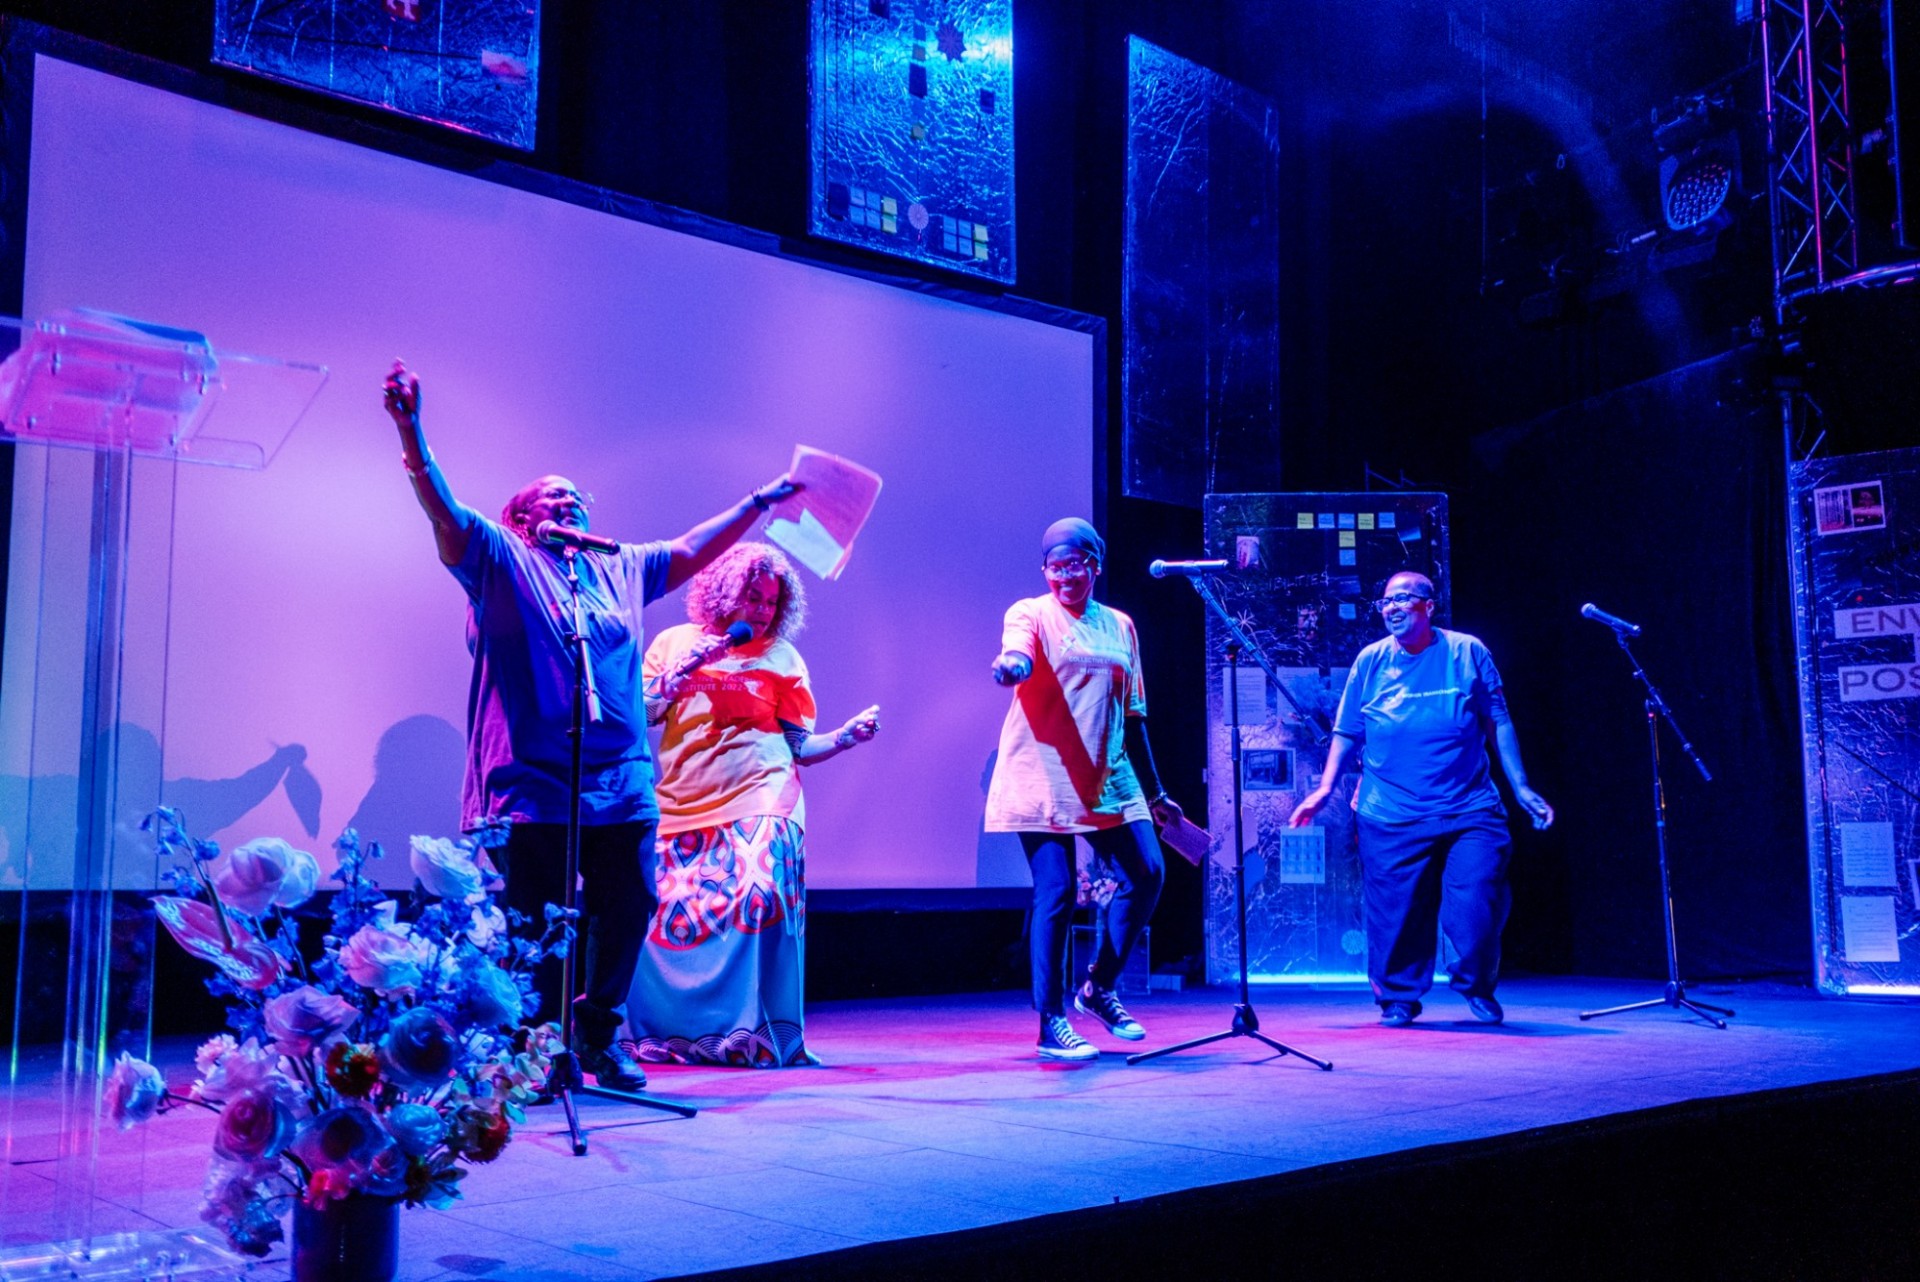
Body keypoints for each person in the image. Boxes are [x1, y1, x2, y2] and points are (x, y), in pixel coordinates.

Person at [382, 360, 797, 1090]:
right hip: (531, 780)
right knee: (537, 922)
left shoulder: (617, 567)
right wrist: (411, 430)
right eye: (554, 498)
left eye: (578, 498)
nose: (570, 504)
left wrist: (759, 502)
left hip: (621, 775)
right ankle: (536, 1048)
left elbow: (696, 546)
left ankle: (599, 1035)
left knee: (627, 902)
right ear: (521, 517)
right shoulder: (499, 556)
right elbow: (443, 512)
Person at [625, 543, 879, 1067]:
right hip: (683, 798)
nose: (762, 610)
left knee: (758, 895)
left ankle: (752, 1036)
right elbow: (643, 714)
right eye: (753, 597)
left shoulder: (781, 656)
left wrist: (844, 737)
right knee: (664, 915)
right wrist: (680, 674)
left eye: (771, 601)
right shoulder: (674, 643)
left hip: (763, 790)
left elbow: (798, 747)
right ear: (722, 593)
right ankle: (675, 1036)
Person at [1288, 571, 1554, 1027]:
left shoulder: (1466, 652)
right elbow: (1347, 730)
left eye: (1403, 599)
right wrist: (1326, 788)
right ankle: (1398, 997)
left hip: (1468, 809)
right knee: (1394, 915)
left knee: (1476, 907)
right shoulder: (1370, 661)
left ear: (1429, 605)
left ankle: (1476, 985)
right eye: (1386, 601)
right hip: (1389, 812)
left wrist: (1521, 786)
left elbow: (1499, 721)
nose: (1392, 608)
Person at [985, 519, 1180, 1062]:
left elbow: (1134, 714)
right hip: (1041, 772)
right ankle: (1051, 1022)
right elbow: (1018, 653)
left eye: (1076, 563)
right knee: (1058, 891)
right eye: (1055, 565)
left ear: (1096, 563)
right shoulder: (1031, 613)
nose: (1065, 575)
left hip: (1109, 771)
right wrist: (1011, 666)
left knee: (1148, 872)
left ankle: (1098, 986)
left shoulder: (1120, 625)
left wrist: (1157, 793)